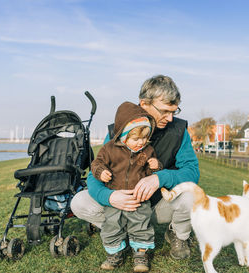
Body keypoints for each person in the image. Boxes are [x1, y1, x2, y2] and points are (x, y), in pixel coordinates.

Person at [71, 74, 200, 264]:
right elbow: (93, 176)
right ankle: (119, 231)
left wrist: (160, 178)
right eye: (164, 111)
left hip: (158, 204)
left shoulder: (179, 130)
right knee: (79, 202)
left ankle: (178, 235)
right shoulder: (117, 131)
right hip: (119, 203)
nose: (171, 118)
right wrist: (109, 197)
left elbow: (192, 172)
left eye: (174, 111)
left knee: (193, 196)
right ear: (143, 104)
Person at [91, 101, 162, 271]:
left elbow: (152, 174)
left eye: (145, 138)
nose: (141, 142)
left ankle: (141, 255)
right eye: (136, 138)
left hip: (139, 198)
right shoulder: (109, 149)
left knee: (141, 225)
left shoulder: (147, 150)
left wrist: (156, 166)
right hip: (115, 196)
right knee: (112, 225)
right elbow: (96, 163)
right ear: (123, 134)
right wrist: (101, 171)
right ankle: (115, 254)